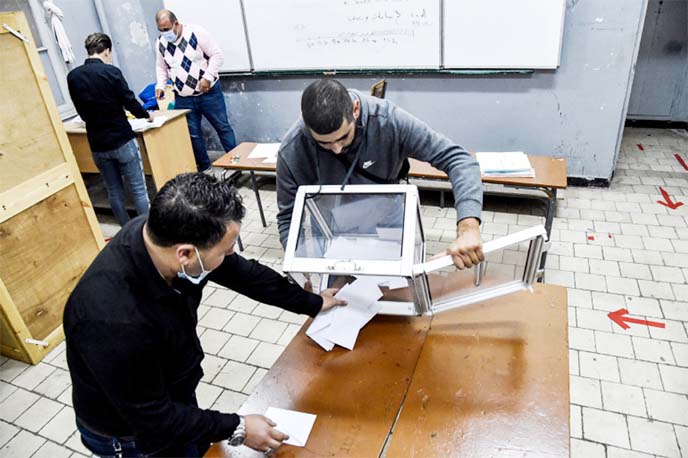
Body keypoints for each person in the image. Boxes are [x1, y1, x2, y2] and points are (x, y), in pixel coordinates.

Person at [63, 173, 346, 457]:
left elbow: (244, 274)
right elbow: (156, 418)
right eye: (226, 250)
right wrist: (239, 427)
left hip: (172, 392)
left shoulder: (163, 237)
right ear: (185, 254)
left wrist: (311, 302)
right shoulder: (112, 319)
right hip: (132, 433)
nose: (231, 255)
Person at [276, 79, 485, 269]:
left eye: (343, 137)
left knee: (397, 290)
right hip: (332, 233)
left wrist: (468, 226)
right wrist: (299, 268)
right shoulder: (293, 148)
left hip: (387, 220)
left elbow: (459, 160)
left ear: (355, 109)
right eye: (324, 143)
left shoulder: (388, 120)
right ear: (304, 120)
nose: (337, 149)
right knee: (339, 296)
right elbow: (288, 217)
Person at [67, 32, 151, 227]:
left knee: (114, 191)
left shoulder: (73, 77)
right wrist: (145, 115)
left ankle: (125, 230)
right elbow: (129, 101)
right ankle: (146, 232)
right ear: (106, 51)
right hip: (121, 139)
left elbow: (81, 109)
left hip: (97, 143)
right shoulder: (111, 72)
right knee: (138, 189)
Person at [154, 9, 237, 172]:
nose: (165, 33)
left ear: (176, 23)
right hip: (183, 97)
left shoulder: (197, 33)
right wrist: (160, 86)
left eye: (167, 29)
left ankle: (235, 164)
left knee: (223, 127)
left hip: (208, 94)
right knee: (193, 134)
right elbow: (161, 66)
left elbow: (217, 55)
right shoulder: (161, 43)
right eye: (161, 30)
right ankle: (205, 168)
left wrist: (207, 77)